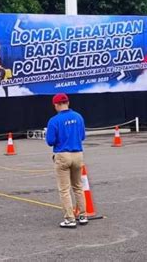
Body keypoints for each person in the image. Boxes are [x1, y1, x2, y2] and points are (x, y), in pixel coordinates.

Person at [46, 93, 88, 228]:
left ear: (56, 105)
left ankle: (70, 218)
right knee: (78, 187)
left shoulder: (54, 120)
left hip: (63, 154)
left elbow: (50, 141)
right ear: (68, 102)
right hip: (78, 154)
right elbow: (82, 136)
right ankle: (82, 214)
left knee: (64, 189)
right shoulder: (78, 117)